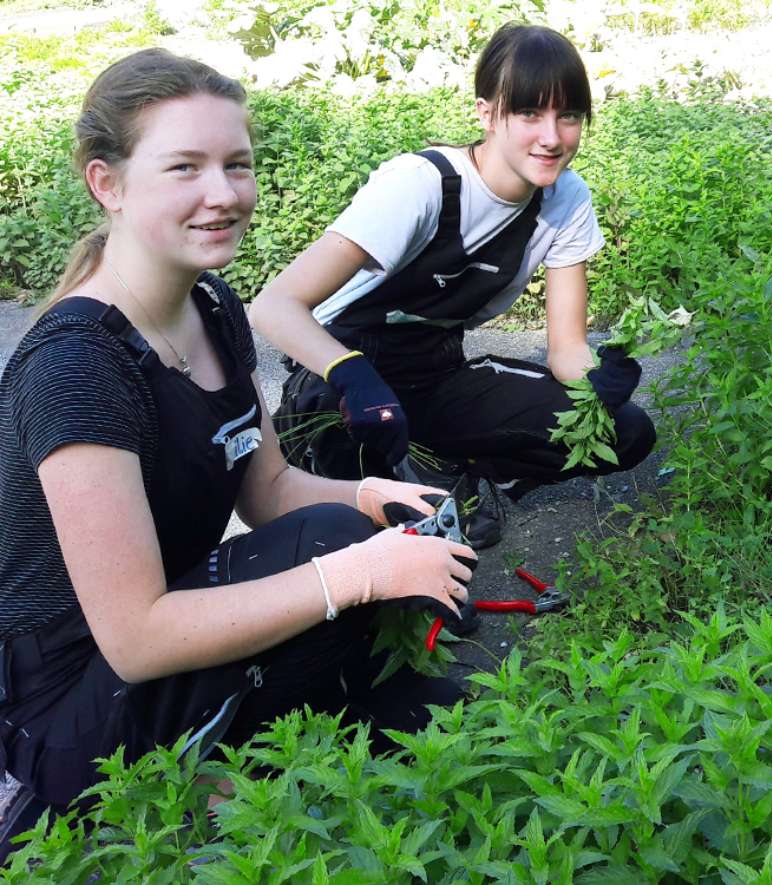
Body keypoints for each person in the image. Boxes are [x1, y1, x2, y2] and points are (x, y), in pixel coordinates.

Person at [0, 49, 476, 847]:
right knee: (340, 561)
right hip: (76, 705)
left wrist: (374, 502)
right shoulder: (78, 369)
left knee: (404, 640)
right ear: (106, 183)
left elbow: (271, 492)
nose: (222, 194)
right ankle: (117, 808)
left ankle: (262, 748)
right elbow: (135, 633)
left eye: (237, 165)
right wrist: (357, 574)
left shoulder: (212, 304)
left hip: (167, 626)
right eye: (184, 167)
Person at [251, 23, 657, 550]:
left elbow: (568, 348)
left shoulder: (565, 200)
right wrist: (353, 375)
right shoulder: (420, 185)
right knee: (356, 520)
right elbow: (274, 306)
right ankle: (393, 478)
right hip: (342, 376)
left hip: (436, 372)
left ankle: (460, 470)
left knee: (624, 430)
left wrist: (597, 381)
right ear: (487, 113)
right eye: (529, 113)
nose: (552, 136)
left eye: (569, 116)